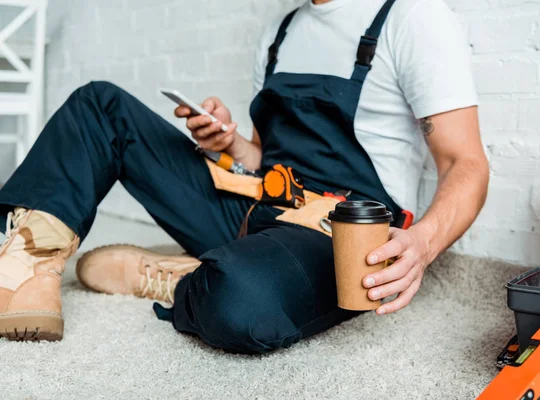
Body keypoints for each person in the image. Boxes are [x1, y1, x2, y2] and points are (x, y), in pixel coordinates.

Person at [0, 0, 488, 353]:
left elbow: (465, 162)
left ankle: (192, 277)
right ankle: (25, 266)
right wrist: (226, 142)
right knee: (99, 105)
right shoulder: (283, 29)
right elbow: (267, 158)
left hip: (340, 234)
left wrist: (423, 244)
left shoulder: (412, 17)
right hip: (256, 206)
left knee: (243, 302)